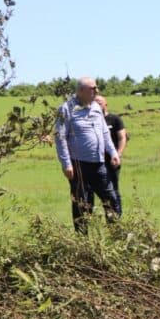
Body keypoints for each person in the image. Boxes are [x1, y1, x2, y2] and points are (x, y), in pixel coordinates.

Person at [54, 77, 121, 233]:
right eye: (92, 88)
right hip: (78, 164)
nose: (96, 91)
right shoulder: (66, 109)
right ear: (80, 91)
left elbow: (104, 132)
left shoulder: (96, 108)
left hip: (98, 163)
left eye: (96, 88)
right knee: (82, 203)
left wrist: (113, 152)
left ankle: (116, 234)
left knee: (111, 199)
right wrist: (66, 164)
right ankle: (83, 241)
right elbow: (60, 137)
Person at [95, 94, 128, 213]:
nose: (97, 104)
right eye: (95, 102)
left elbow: (122, 138)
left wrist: (118, 154)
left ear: (105, 104)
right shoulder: (92, 120)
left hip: (112, 160)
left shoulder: (115, 119)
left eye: (99, 102)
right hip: (95, 161)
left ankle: (117, 216)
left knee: (113, 188)